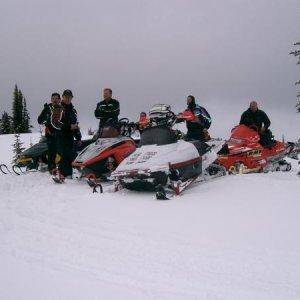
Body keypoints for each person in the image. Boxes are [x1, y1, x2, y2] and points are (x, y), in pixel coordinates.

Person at [56, 89, 82, 179]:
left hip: (70, 137)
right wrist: (69, 127)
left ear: (71, 98)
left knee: (71, 154)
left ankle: (69, 175)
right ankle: (63, 175)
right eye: (66, 97)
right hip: (60, 136)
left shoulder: (73, 111)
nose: (68, 99)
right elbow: (56, 124)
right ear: (62, 97)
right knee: (64, 155)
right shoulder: (58, 109)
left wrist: (78, 138)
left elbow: (75, 125)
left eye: (69, 97)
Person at [37, 92, 61, 173]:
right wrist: (45, 116)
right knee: (52, 152)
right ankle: (52, 168)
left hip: (61, 134)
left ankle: (63, 168)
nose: (54, 100)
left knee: (62, 151)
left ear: (59, 100)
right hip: (50, 134)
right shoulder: (48, 108)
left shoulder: (62, 108)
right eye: (53, 98)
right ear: (51, 99)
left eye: (56, 98)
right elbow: (39, 120)